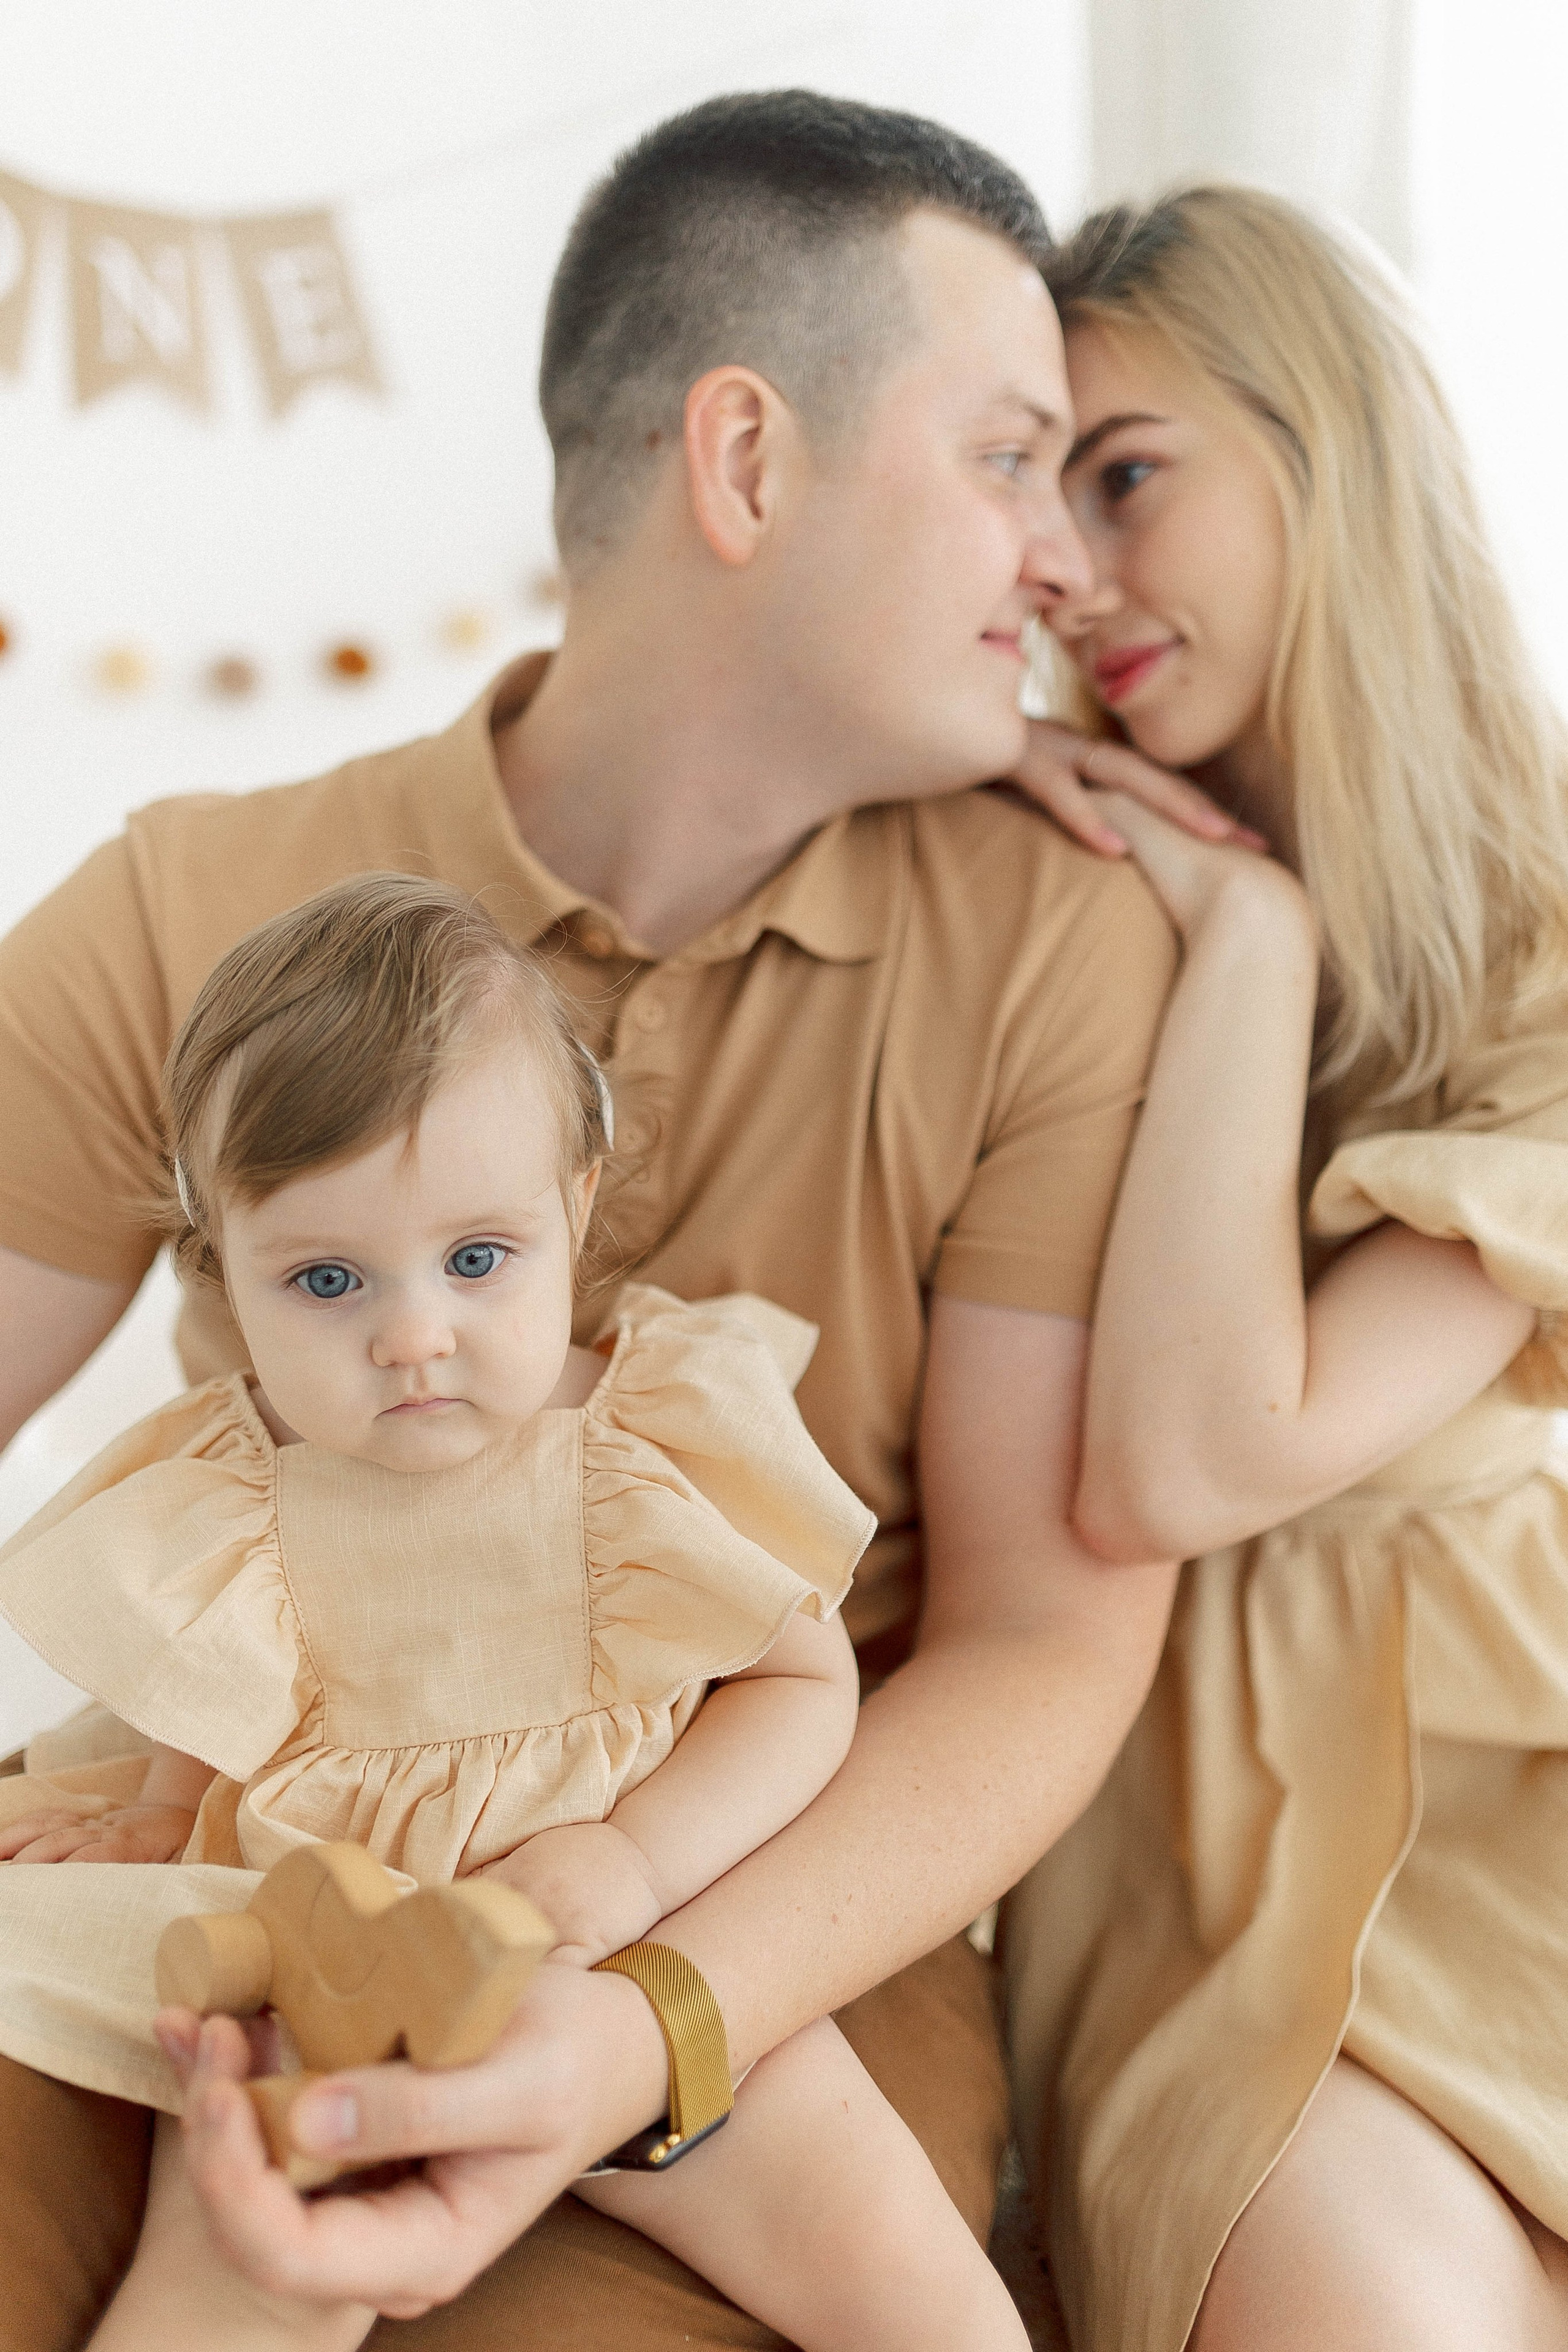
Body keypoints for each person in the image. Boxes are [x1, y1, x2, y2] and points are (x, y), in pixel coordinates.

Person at [0, 92, 1186, 2348]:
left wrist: (642, 2016)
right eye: (1012, 457)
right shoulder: (184, 902)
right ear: (746, 463)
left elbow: (1045, 1641)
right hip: (221, 1901)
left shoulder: (1059, 945)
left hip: (761, 1930)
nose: (1070, 566)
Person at [0, 872, 1031, 2352]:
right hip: (327, 1977)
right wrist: (155, 1818)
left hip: (621, 1946)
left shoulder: (638, 1442)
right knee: (227, 2275)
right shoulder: (230, 1492)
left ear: (576, 1207)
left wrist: (633, 1856)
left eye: (477, 1261)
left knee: (903, 2281)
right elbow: (222, 1703)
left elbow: (798, 1691)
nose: (414, 1336)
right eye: (328, 1280)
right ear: (221, 1267)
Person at [1001, 185, 1568, 2352]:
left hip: (1507, 1818)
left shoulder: (1539, 937)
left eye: (1129, 476)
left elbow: (1220, 1446)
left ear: (1329, 447)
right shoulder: (1060, 898)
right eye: (1036, 501)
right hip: (1207, 1903)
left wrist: (1261, 932)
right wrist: (1241, 934)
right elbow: (1163, 1481)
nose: (1072, 573)